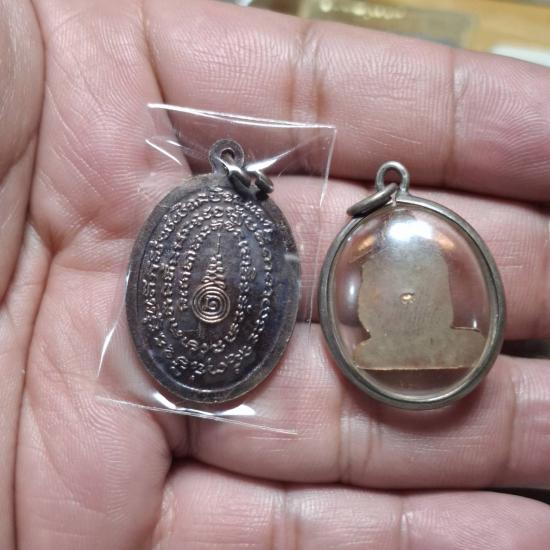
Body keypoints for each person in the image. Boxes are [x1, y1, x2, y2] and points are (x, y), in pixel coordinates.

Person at [1, 0, 549, 548]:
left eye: (399, 290)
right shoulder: (366, 338)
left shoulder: (442, 330)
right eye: (375, 290)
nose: (381, 301)